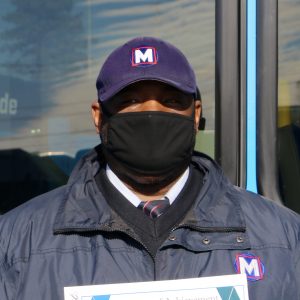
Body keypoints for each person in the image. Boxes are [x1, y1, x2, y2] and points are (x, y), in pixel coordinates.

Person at [0, 36, 299, 300]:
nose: (151, 115)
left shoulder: (284, 238)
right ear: (98, 116)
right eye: (130, 101)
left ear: (195, 115)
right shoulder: (15, 243)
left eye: (170, 101)